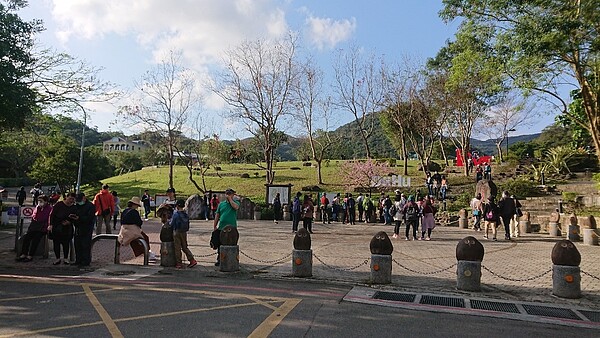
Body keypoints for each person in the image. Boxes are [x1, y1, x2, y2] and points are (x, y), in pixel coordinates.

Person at [17, 195, 52, 262]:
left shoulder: (49, 208)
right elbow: (34, 216)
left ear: (46, 201)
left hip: (43, 227)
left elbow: (43, 218)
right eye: (39, 201)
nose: (39, 202)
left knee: (36, 239)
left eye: (41, 201)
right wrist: (38, 209)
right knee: (27, 238)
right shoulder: (37, 207)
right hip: (34, 226)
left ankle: (30, 255)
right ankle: (23, 253)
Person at [213, 188, 240, 266]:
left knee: (231, 243)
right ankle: (220, 259)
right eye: (227, 194)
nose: (228, 195)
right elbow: (217, 215)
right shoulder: (221, 204)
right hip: (222, 227)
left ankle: (231, 259)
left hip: (232, 228)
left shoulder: (236, 202)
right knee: (220, 244)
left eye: (230, 194)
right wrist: (215, 225)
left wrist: (230, 200)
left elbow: (236, 207)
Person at [49, 193, 77, 265]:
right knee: (56, 243)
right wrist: (51, 225)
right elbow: (52, 215)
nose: (71, 200)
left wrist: (70, 222)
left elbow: (75, 217)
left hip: (67, 227)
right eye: (70, 198)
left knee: (66, 243)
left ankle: (65, 258)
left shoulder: (74, 207)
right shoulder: (59, 205)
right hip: (57, 226)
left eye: (73, 199)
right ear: (66, 197)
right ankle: (57, 258)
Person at [171, 199, 197, 269]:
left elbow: (172, 223)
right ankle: (192, 260)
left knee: (177, 248)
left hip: (177, 232)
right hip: (184, 232)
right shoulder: (185, 214)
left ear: (177, 206)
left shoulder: (176, 214)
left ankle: (179, 263)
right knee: (185, 247)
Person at [72, 192, 96, 268]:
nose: (78, 202)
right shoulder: (77, 206)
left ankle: (85, 261)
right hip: (78, 227)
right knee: (77, 244)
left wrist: (80, 218)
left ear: (84, 198)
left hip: (87, 228)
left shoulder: (90, 206)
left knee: (85, 245)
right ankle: (78, 260)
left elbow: (90, 217)